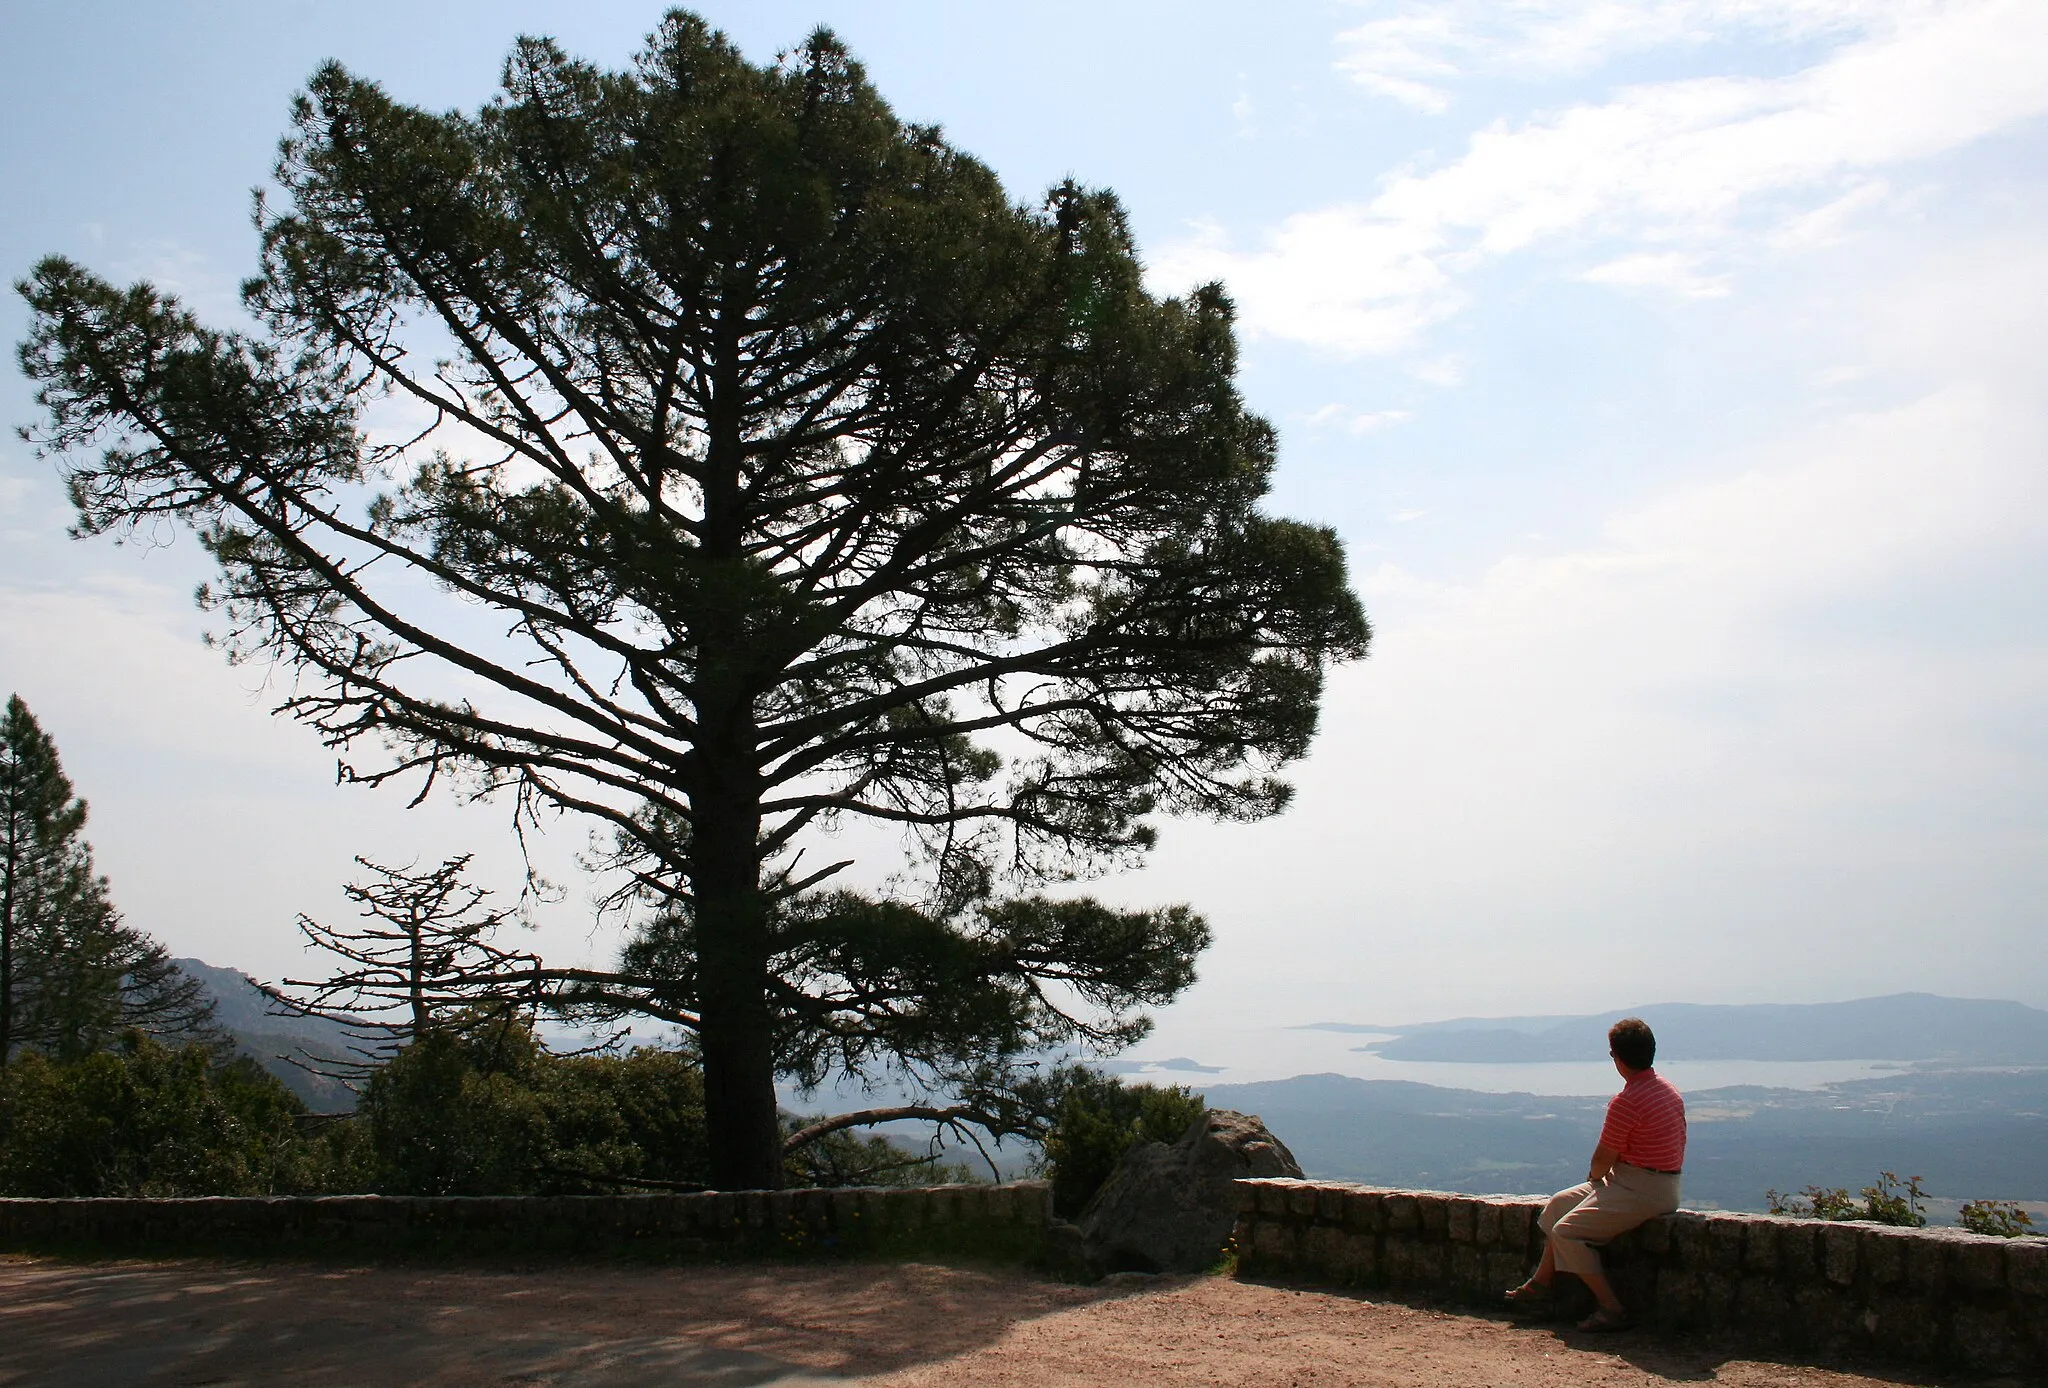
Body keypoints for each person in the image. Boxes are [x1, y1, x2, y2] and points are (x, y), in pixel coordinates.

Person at [1505, 1016, 1686, 1332]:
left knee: (1565, 1231)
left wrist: (1595, 1179)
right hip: (1650, 1181)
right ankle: (1541, 1285)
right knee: (1557, 1207)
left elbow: (1603, 1158)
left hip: (1642, 1187)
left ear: (1617, 1057)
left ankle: (1611, 1308)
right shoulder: (1667, 1089)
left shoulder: (1627, 1101)